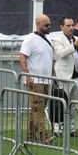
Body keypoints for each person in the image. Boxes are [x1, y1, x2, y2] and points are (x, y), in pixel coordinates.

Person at [19, 14, 55, 143]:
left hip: (46, 80)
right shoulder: (30, 39)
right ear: (38, 24)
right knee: (38, 108)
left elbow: (49, 59)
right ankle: (44, 135)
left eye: (50, 24)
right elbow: (22, 58)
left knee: (36, 109)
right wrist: (28, 76)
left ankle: (31, 136)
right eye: (46, 25)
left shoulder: (48, 39)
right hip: (35, 80)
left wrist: (53, 75)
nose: (49, 27)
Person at [49, 16, 78, 136]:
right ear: (61, 27)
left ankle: (71, 128)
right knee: (61, 103)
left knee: (73, 105)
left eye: (72, 25)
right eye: (68, 25)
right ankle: (57, 129)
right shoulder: (58, 40)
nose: (71, 28)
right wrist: (74, 46)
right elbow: (60, 54)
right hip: (63, 76)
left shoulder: (77, 38)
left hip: (77, 76)